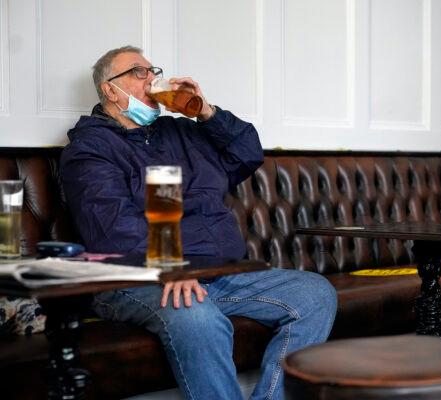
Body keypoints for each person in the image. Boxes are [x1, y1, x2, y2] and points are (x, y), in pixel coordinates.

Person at [59, 45, 337, 400]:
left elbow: (247, 154)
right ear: (110, 89)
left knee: (315, 294)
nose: (151, 79)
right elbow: (113, 229)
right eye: (138, 72)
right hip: (138, 278)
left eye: (152, 71)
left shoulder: (181, 133)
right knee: (197, 316)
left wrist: (206, 111)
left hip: (218, 273)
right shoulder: (89, 149)